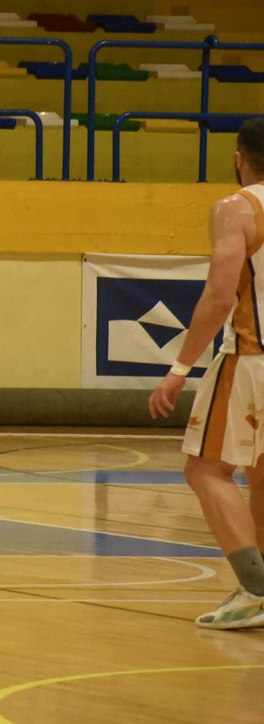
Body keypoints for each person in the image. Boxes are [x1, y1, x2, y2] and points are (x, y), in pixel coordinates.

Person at [148, 118, 264, 630]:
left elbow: (219, 297)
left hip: (252, 356)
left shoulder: (236, 208)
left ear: (239, 158)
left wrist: (179, 368)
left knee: (205, 470)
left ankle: (257, 589)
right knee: (261, 473)